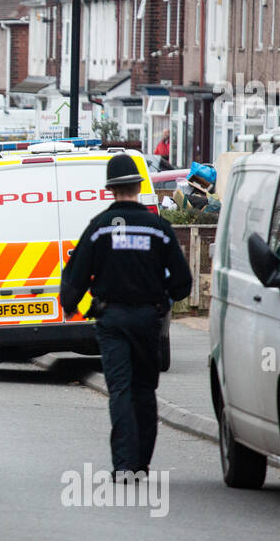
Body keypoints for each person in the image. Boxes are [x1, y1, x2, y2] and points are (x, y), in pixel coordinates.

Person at [59, 154, 192, 481]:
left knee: (120, 390)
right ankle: (141, 464)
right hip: (149, 321)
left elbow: (76, 275)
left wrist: (69, 304)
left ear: (111, 190)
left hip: (113, 321)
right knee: (144, 391)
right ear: (137, 186)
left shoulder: (99, 228)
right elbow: (183, 283)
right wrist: (165, 299)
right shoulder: (159, 229)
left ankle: (123, 466)